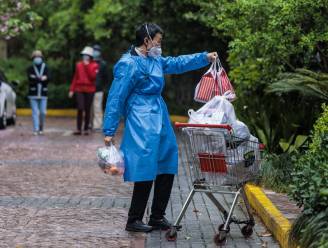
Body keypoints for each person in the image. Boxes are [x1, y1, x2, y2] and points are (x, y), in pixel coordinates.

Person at [103, 23, 218, 233]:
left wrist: (203, 57)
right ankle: (134, 218)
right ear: (146, 40)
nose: (160, 44)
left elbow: (176, 63)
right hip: (140, 115)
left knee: (167, 160)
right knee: (146, 163)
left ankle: (157, 216)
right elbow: (116, 97)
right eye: (158, 40)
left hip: (159, 113)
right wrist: (109, 131)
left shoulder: (155, 59)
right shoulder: (128, 64)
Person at [69, 46, 99, 135]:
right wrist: (71, 89)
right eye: (84, 55)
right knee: (80, 107)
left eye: (87, 55)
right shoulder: (78, 64)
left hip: (90, 89)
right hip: (79, 89)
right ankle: (78, 129)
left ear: (90, 56)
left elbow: (92, 77)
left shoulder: (95, 65)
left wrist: (87, 66)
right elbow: (75, 77)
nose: (85, 56)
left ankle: (86, 128)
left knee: (87, 109)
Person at [27, 50, 50, 135]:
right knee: (35, 112)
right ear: (33, 58)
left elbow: (48, 79)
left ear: (41, 58)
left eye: (39, 57)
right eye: (35, 57)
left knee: (43, 112)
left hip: (43, 93)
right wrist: (41, 79)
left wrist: (37, 78)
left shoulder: (46, 68)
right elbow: (30, 79)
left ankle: (41, 127)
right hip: (33, 93)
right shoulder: (30, 68)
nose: (37, 58)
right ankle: (36, 129)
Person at [91, 44, 109, 130]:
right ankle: (89, 124)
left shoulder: (103, 64)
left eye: (96, 50)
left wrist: (103, 86)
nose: (95, 52)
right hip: (88, 89)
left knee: (97, 108)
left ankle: (97, 125)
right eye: (94, 50)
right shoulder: (89, 62)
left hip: (98, 89)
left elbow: (106, 77)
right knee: (89, 109)